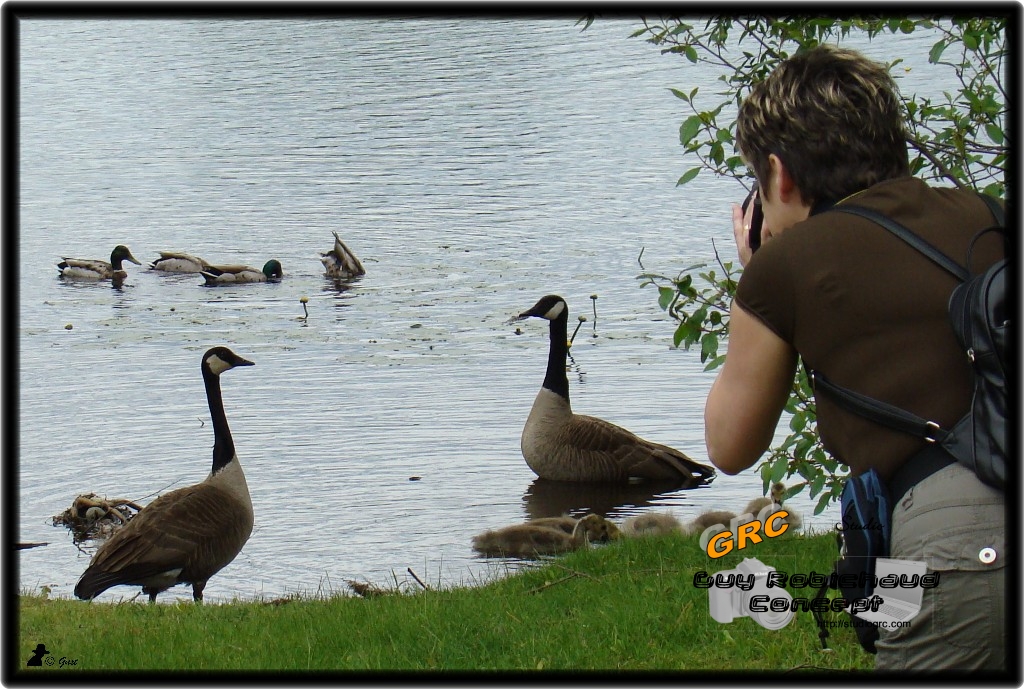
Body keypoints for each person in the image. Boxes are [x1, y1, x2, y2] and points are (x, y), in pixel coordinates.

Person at [702, 44, 1005, 671]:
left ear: (779, 175)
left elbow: (729, 446)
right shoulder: (991, 216)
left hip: (953, 545)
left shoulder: (785, 266)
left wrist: (756, 278)